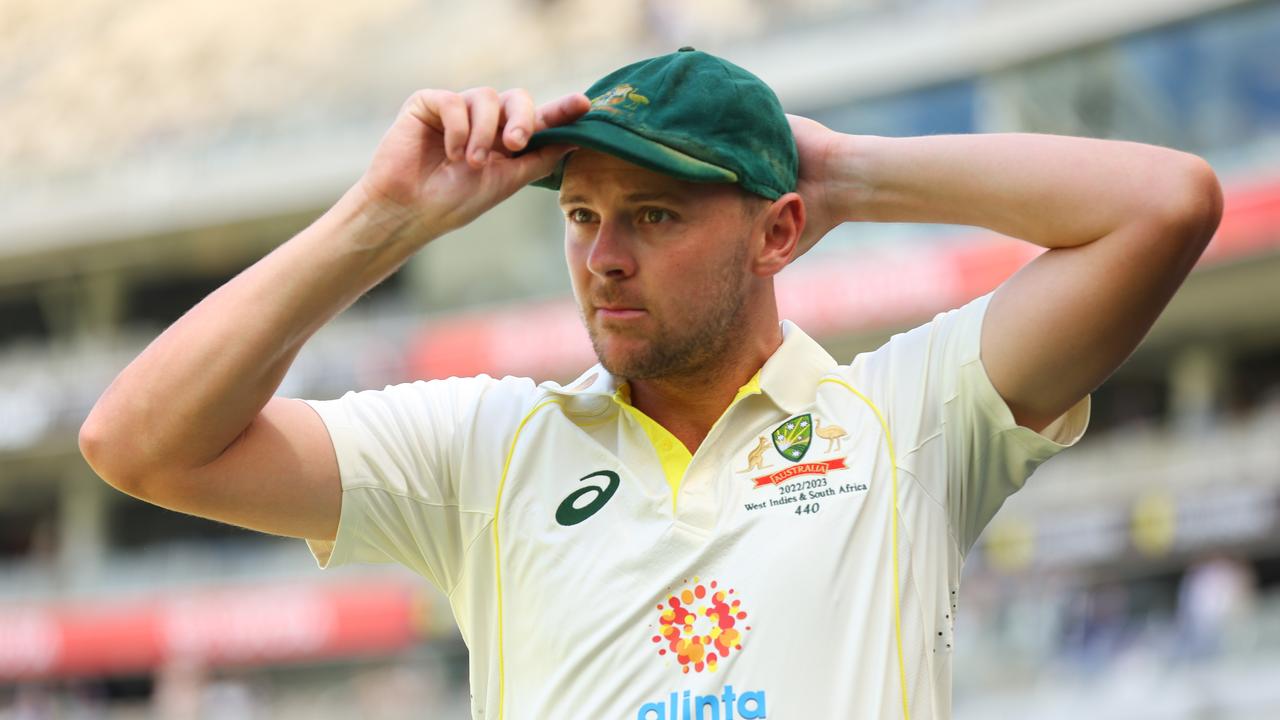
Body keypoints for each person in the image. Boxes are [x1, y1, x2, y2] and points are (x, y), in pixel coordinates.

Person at [80, 48, 1223, 719]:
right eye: (581, 216)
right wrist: (378, 225)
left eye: (654, 215)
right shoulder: (485, 448)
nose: (601, 256)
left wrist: (848, 173)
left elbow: (1162, 204)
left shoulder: (903, 420)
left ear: (778, 233)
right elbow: (137, 445)